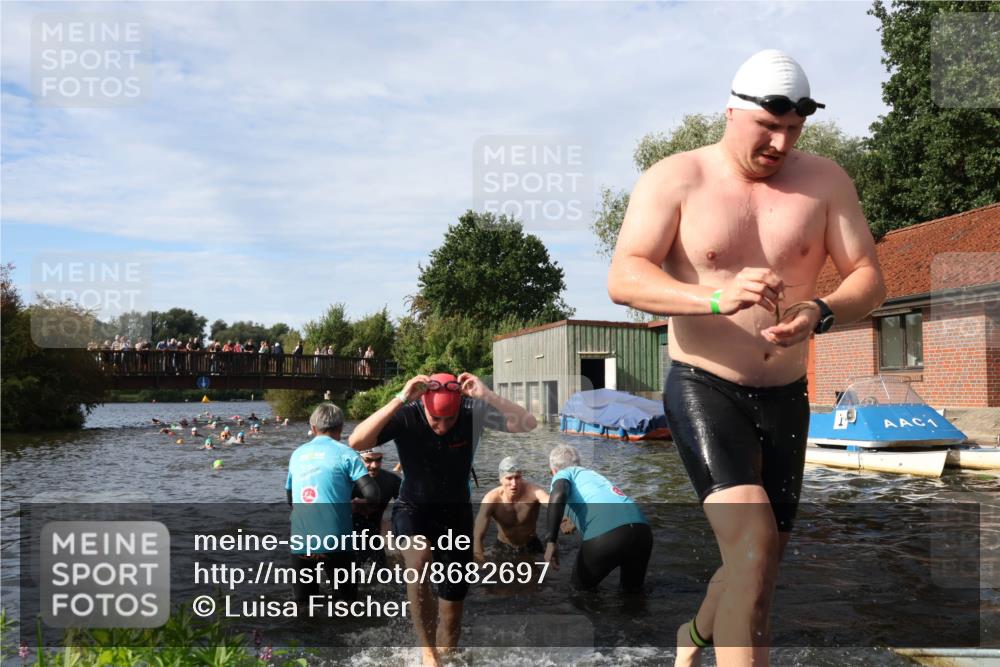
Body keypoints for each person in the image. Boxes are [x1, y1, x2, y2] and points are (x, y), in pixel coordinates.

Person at [606, 49, 886, 666]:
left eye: (794, 129)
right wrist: (711, 298)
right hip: (707, 388)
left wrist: (823, 311)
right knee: (754, 551)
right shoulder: (677, 177)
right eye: (769, 126)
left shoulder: (826, 181)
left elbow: (869, 275)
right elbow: (625, 277)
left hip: (787, 395)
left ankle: (694, 637)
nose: (781, 143)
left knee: (759, 562)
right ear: (732, 111)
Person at [348, 371, 537, 667]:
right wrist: (400, 398)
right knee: (419, 559)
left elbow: (528, 423)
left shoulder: (471, 411)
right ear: (424, 404)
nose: (442, 426)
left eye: (449, 420)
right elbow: (357, 440)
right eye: (436, 419)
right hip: (413, 509)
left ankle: (444, 655)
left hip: (456, 514)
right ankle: (427, 653)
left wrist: (486, 394)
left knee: (451, 617)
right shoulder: (408, 414)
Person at [286, 403, 380, 605]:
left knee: (304, 606)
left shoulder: (297, 454)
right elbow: (373, 494)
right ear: (341, 428)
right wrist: (357, 503)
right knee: (346, 605)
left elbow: (290, 500)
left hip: (301, 542)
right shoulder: (346, 454)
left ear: (313, 428)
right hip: (336, 542)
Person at [543, 444, 651, 593]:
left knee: (578, 593)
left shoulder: (564, 474)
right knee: (632, 595)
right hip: (642, 530)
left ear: (553, 470)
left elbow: (559, 494)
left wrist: (551, 541)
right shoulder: (592, 475)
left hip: (609, 533)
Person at [473, 456, 549, 562]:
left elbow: (553, 504)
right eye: (509, 478)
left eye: (517, 477)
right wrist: (478, 556)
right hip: (504, 545)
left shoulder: (533, 492)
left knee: (535, 577)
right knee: (499, 576)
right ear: (501, 480)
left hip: (531, 544)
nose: (514, 483)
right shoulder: (492, 499)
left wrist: (565, 518)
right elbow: (478, 534)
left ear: (521, 477)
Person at [351, 449, 402, 565]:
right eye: (368, 460)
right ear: (357, 460)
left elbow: (406, 507)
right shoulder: (345, 480)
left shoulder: (390, 480)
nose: (374, 465)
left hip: (374, 537)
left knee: (383, 576)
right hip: (346, 538)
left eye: (378, 460)